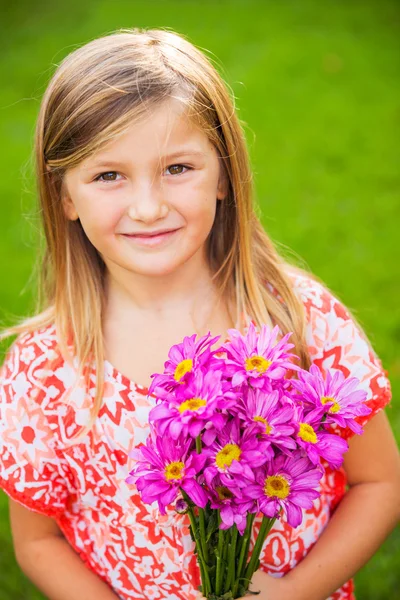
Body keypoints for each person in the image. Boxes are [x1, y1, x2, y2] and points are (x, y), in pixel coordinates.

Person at [0, 28, 398, 600]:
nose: (148, 206)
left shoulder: (298, 320)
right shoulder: (43, 373)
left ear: (223, 176)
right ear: (65, 196)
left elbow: (380, 482)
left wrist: (293, 595)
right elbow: (36, 541)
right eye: (108, 175)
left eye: (177, 168)